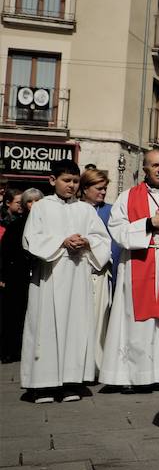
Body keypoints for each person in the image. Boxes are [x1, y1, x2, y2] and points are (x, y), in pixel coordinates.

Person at [20, 161, 111, 403]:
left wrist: (88, 242)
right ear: (52, 180)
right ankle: (42, 385)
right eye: (66, 180)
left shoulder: (85, 210)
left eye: (75, 181)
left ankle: (72, 381)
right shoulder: (41, 208)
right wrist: (62, 241)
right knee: (44, 327)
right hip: (50, 274)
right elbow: (31, 239)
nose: (71, 186)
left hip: (77, 275)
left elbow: (102, 239)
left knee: (76, 326)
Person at [98, 149, 159, 392]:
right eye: (154, 165)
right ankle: (136, 375)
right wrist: (149, 224)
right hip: (138, 260)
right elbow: (116, 228)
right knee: (135, 319)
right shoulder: (127, 197)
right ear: (144, 168)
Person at [78, 169, 116, 368]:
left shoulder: (110, 211)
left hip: (100, 272)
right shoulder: (73, 208)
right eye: (98, 188)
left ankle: (95, 365)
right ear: (85, 189)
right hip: (77, 272)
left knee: (99, 321)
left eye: (105, 189)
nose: (103, 192)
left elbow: (114, 245)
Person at [1, 187, 42, 364]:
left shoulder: (46, 224)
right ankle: (12, 349)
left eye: (37, 201)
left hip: (39, 274)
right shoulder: (16, 225)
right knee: (15, 314)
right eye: (29, 202)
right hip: (17, 276)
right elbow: (5, 252)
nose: (33, 205)